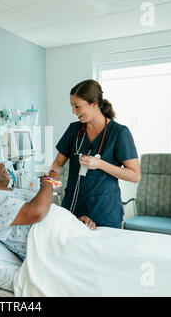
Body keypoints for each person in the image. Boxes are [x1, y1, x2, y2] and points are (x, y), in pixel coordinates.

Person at [49, 79, 140, 229]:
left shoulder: (119, 133)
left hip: (104, 213)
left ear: (94, 104)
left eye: (77, 106)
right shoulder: (74, 130)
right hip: (72, 211)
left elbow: (135, 175)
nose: (73, 112)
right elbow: (58, 165)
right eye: (72, 106)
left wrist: (100, 164)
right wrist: (48, 182)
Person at [0, 156, 95, 260]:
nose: (3, 165)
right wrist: (48, 180)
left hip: (71, 235)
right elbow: (37, 212)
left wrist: (74, 222)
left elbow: (46, 211)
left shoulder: (14, 192)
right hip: (57, 249)